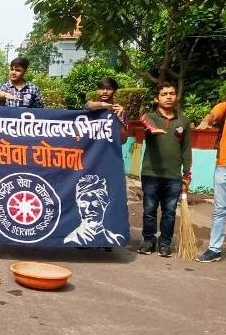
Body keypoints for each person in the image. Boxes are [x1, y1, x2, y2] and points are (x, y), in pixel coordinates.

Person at [137, 82, 191, 257]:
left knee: (169, 212)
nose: (169, 97)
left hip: (173, 176)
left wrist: (187, 174)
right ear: (156, 98)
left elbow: (186, 148)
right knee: (150, 210)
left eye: (172, 93)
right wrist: (152, 129)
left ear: (176, 96)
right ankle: (148, 241)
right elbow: (144, 121)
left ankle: (165, 243)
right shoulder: (150, 117)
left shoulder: (183, 121)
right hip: (151, 173)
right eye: (164, 94)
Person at [195, 99, 226, 263]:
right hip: (223, 167)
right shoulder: (225, 106)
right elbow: (213, 114)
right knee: (220, 210)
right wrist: (206, 121)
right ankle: (215, 249)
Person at [85, 77, 128, 143]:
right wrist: (103, 105)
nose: (105, 91)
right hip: (92, 151)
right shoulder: (92, 108)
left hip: (110, 151)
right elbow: (88, 105)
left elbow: (123, 140)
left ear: (115, 91)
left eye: (109, 89)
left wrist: (119, 120)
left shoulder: (119, 111)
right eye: (102, 89)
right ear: (98, 91)